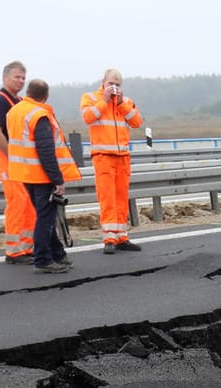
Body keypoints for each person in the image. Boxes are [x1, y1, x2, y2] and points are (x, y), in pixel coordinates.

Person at [4, 79, 81, 274]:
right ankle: (43, 260)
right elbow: (46, 150)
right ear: (45, 96)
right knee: (46, 219)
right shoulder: (39, 115)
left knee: (45, 216)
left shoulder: (15, 111)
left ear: (28, 92)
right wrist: (57, 180)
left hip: (23, 173)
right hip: (41, 175)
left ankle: (57, 254)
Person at [80, 69, 143, 253]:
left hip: (122, 156)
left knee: (121, 198)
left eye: (117, 85)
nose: (114, 87)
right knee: (107, 197)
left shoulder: (126, 101)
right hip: (103, 155)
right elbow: (88, 117)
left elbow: (137, 122)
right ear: (103, 82)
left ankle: (122, 237)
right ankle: (109, 237)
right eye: (111, 84)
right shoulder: (90, 97)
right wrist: (105, 100)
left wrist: (121, 103)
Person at [0, 61, 33, 264]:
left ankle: (27, 246)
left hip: (19, 158)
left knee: (29, 202)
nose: (21, 81)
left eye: (23, 78)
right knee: (17, 200)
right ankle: (13, 251)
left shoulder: (19, 101)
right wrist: (12, 156)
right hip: (6, 156)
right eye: (17, 77)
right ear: (5, 77)